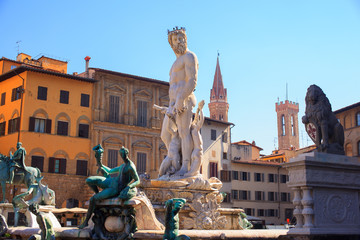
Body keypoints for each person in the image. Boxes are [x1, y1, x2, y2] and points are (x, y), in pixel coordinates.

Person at [161, 27, 199, 176]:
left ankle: (185, 166)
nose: (179, 41)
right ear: (171, 43)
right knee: (165, 135)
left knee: (184, 132)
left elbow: (192, 81)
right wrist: (172, 102)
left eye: (181, 38)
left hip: (184, 100)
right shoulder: (175, 63)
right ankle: (174, 160)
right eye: (176, 39)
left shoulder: (190, 56)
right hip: (173, 104)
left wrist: (181, 98)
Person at [78, 145, 140, 229]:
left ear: (127, 154)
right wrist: (100, 164)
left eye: (123, 154)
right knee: (89, 180)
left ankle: (86, 222)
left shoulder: (130, 167)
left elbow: (137, 180)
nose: (122, 156)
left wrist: (129, 187)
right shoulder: (123, 165)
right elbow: (110, 171)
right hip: (111, 181)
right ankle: (98, 194)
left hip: (115, 189)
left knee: (92, 199)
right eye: (121, 154)